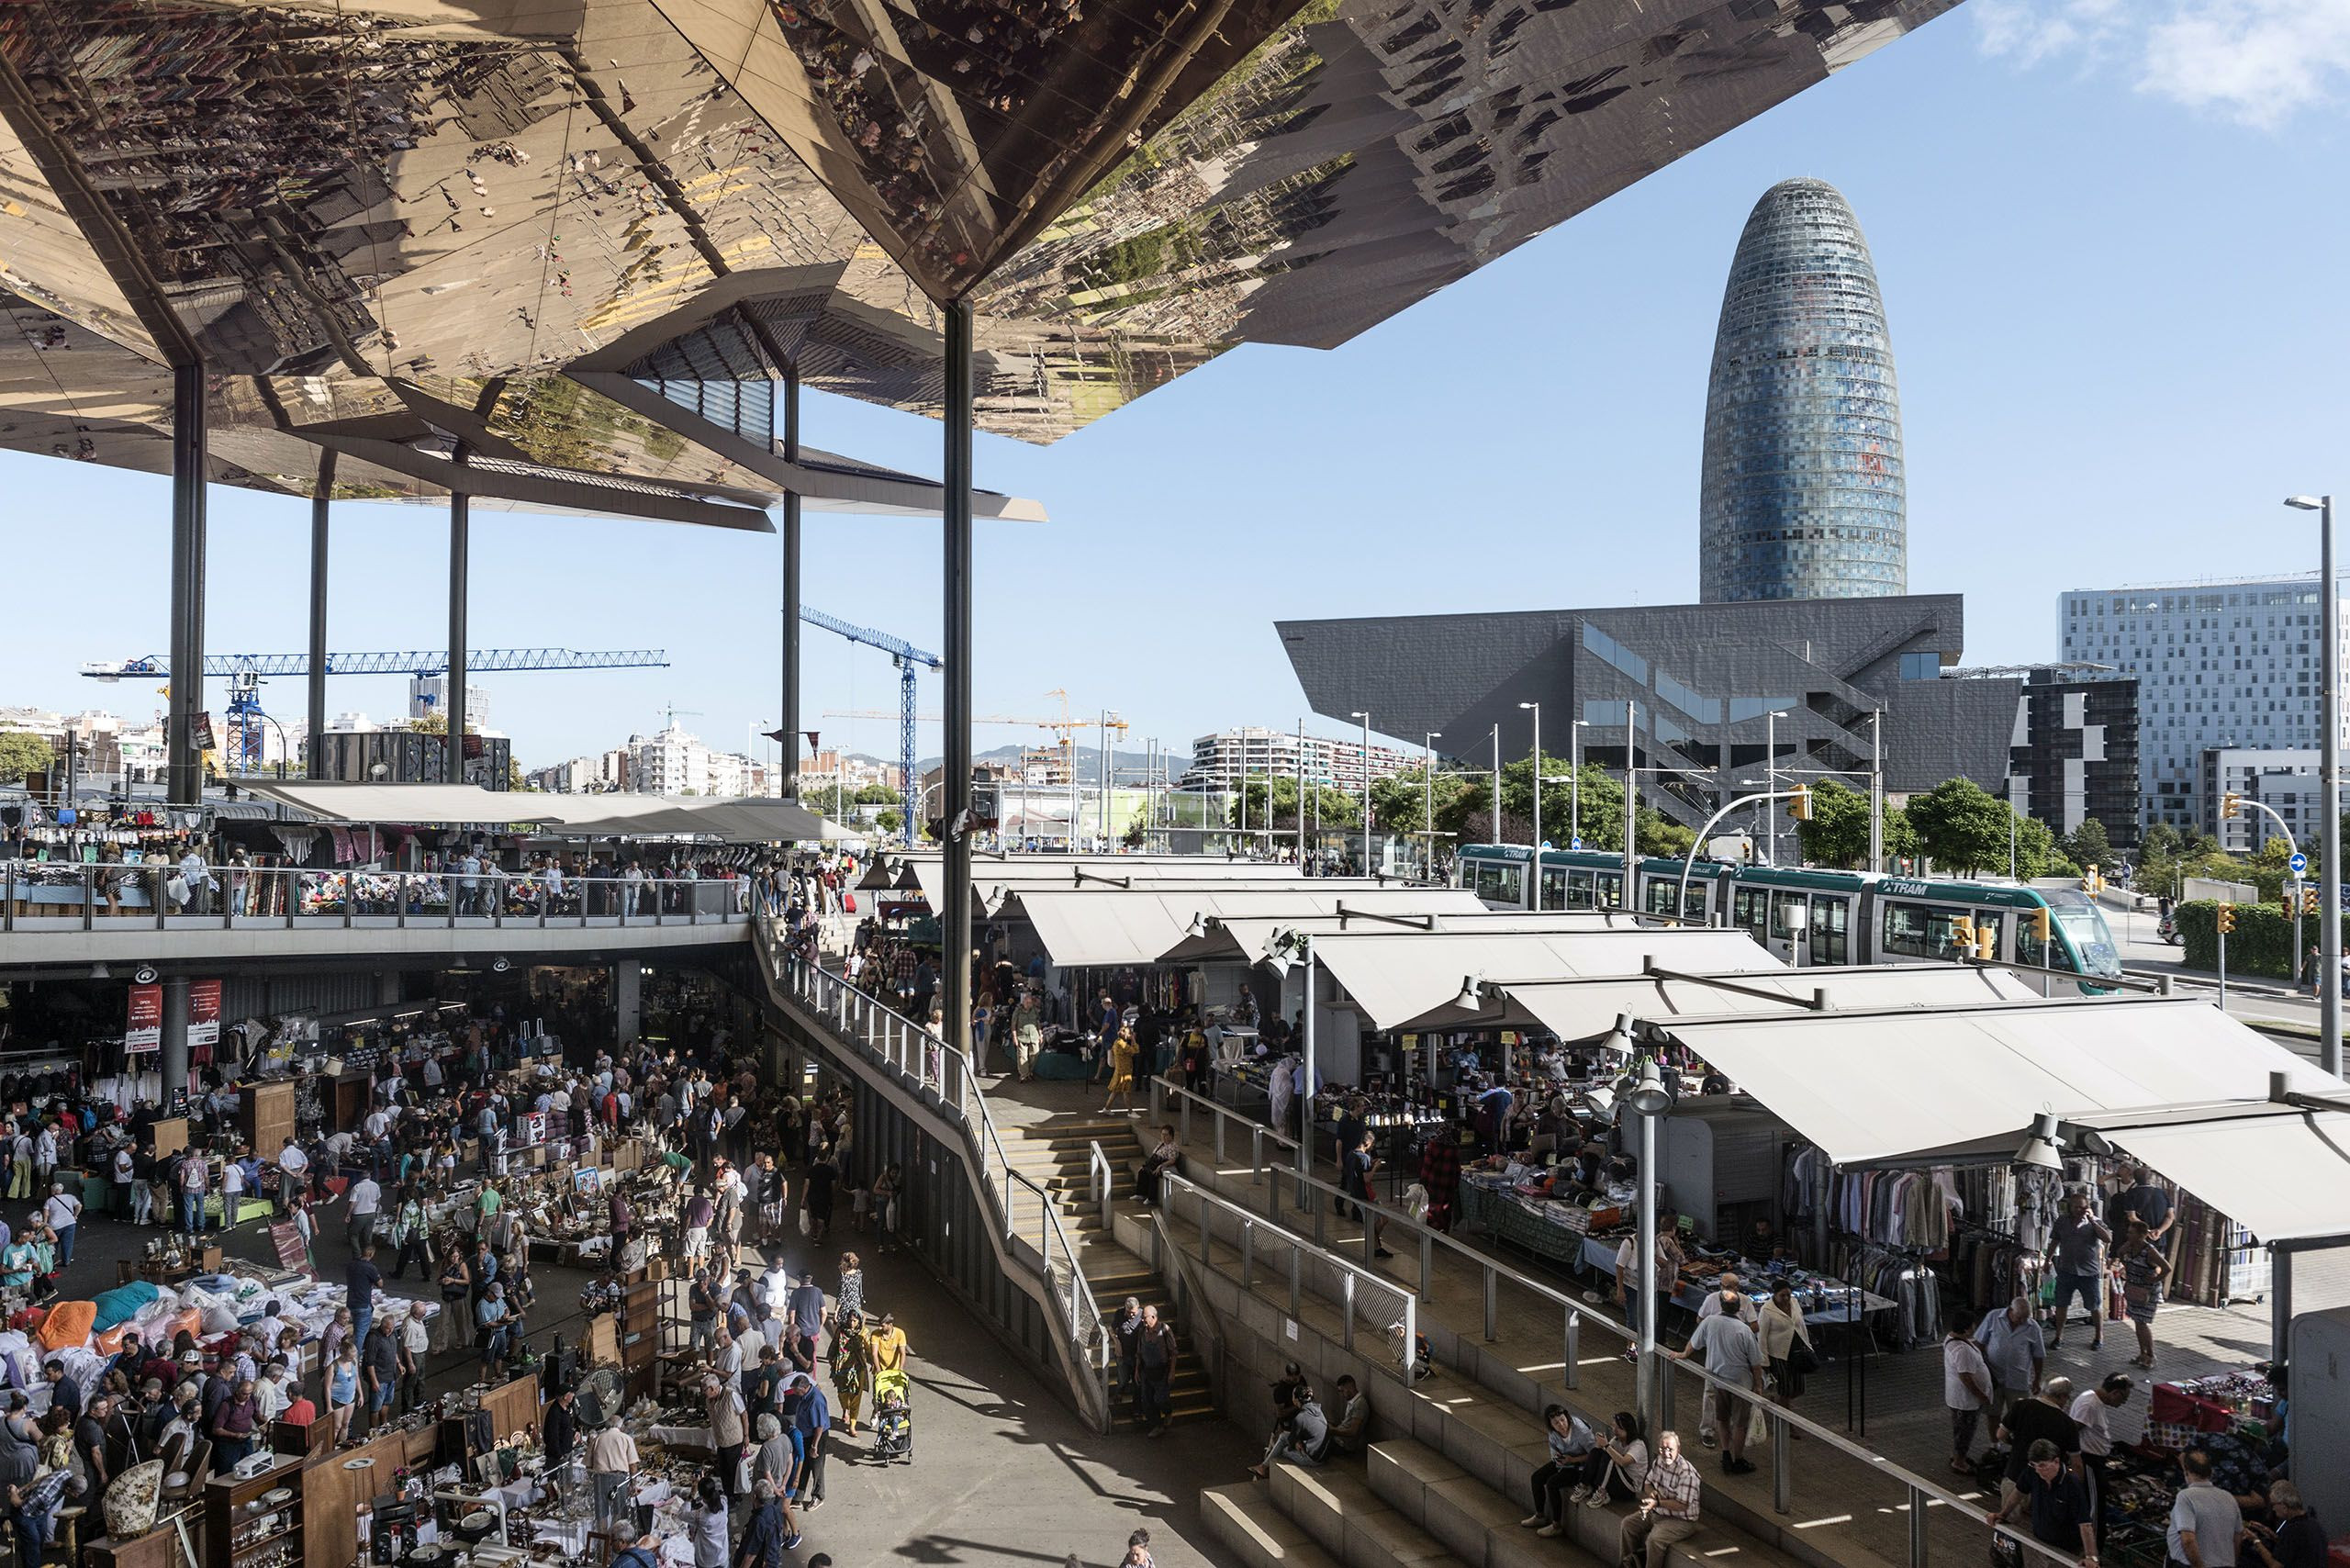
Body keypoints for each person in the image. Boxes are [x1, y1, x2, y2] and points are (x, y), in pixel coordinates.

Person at [1675, 1305, 1763, 1475]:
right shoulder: (1744, 1330)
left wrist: (1684, 1354)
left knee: (1722, 1419)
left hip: (1719, 1381)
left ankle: (1725, 1454)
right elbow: (1756, 1363)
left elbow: (1693, 1343)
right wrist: (1758, 1386)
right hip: (1741, 1386)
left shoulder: (1710, 1321)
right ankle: (1738, 1459)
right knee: (1740, 1424)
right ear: (1739, 1308)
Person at [1997, 1438, 2097, 1566]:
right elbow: (2018, 1492)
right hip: (2038, 1542)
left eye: (2043, 1465)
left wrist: (2091, 1557)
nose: (2038, 1470)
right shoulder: (2032, 1471)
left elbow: (2085, 1525)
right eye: (2034, 1465)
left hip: (2065, 1550)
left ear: (2056, 1461)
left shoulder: (2071, 1485)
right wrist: (2003, 1514)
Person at [1998, 1380, 2081, 1514]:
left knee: (2007, 1524)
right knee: (2042, 1528)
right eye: (2067, 1397)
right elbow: (2077, 1464)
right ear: (2062, 1396)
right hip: (2046, 1486)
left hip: (2015, 1475)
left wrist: (2016, 1443)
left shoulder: (2021, 1406)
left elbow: (2000, 1434)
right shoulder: (2067, 1424)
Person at [1618, 1429, 1700, 1568]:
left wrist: (1657, 1503)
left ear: (1678, 1449)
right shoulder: (1659, 1462)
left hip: (1680, 1520)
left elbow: (1682, 1505)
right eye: (1662, 1449)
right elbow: (1648, 1483)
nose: (1666, 1453)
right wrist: (1653, 1495)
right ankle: (1627, 1564)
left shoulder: (1687, 1474)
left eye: (1670, 1449)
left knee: (1654, 1540)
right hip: (1657, 1511)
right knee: (1627, 1524)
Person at [2048, 1189, 2112, 1351]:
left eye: (2082, 1207)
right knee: (2061, 1304)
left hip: (2089, 1273)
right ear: (2070, 1207)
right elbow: (2055, 1241)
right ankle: (2059, 1336)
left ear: (2088, 1207)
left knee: (2094, 1305)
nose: (2079, 1210)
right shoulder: (2062, 1221)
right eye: (2076, 1207)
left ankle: (2099, 1336)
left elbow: (2107, 1238)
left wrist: (2092, 1221)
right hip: (2066, 1270)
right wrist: (2047, 1260)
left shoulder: (2095, 1222)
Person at [1519, 1405, 1598, 1534]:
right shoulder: (1553, 1433)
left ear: (1567, 1417)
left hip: (1581, 1466)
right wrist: (1558, 1458)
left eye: (1562, 1420)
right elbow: (1554, 1451)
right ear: (1551, 1425)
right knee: (1537, 1477)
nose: (1561, 1425)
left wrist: (1572, 1460)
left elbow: (1595, 1455)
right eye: (1556, 1423)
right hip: (1565, 1461)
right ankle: (1540, 1515)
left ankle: (1556, 1525)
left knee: (1552, 1483)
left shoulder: (1581, 1431)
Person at [1974, 1295, 2046, 1426]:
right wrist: (1980, 1370)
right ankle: (1995, 1443)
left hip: (2019, 1379)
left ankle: (2016, 1441)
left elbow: (2038, 1355)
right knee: (1993, 1413)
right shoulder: (1993, 1317)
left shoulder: (2033, 1327)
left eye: (2026, 1317)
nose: (2023, 1321)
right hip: (1994, 1378)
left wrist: (2037, 1379)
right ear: (2011, 1311)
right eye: (2019, 1317)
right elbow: (1979, 1343)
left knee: (2020, 1415)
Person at [2169, 1448, 2245, 1568]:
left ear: (2186, 1472)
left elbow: (2188, 1540)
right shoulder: (2229, 1497)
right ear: (2210, 1473)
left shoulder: (2186, 1496)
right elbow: (2238, 1537)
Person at [2119, 1217, 2172, 1369]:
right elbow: (2120, 1253)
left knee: (2142, 1323)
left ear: (2141, 1235)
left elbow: (2167, 1268)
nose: (2128, 1235)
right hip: (2134, 1289)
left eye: (2131, 1233)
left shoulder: (2150, 1251)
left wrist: (2154, 1280)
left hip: (2147, 1293)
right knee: (2137, 1322)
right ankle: (2143, 1353)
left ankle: (2151, 1355)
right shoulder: (2130, 1248)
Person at [1247, 1383, 1331, 1478]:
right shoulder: (1318, 1409)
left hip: (1313, 1459)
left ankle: (1264, 1468)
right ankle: (1263, 1466)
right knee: (1283, 1436)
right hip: (1323, 1454)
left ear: (1295, 1400)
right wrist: (1298, 1442)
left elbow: (1291, 1442)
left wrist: (1295, 1443)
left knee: (1282, 1450)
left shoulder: (1300, 1418)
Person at [1944, 1313, 1993, 1474]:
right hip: (1965, 1401)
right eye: (1972, 1325)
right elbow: (1966, 1377)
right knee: (1965, 1431)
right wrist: (1981, 1395)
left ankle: (1959, 1455)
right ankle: (1959, 1462)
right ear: (1966, 1329)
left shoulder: (1955, 1340)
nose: (1975, 1328)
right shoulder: (1961, 1350)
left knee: (1961, 1430)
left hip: (1961, 1399)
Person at [1757, 1281, 1813, 1418]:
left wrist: (1808, 1345)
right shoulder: (1766, 1310)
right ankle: (1785, 1419)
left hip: (1797, 1352)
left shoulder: (1794, 1303)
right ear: (1775, 1295)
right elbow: (1762, 1337)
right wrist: (1765, 1362)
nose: (1786, 1298)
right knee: (1785, 1390)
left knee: (1799, 1388)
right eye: (1783, 1295)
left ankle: (1779, 1404)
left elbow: (1801, 1325)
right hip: (1779, 1355)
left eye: (1788, 1295)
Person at [2244, 1479, 2322, 1568]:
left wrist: (2255, 1541)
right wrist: (2273, 1537)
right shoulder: (2313, 1524)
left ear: (2284, 1507)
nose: (2273, 1509)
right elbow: (2293, 1549)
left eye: (2273, 1505)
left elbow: (2276, 1565)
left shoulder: (2292, 1530)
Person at [1345, 1130, 1391, 1258]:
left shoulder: (1351, 1155)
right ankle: (1374, 1244)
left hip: (1354, 1192)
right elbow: (1366, 1178)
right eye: (1373, 1144)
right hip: (1366, 1194)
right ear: (1368, 1143)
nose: (1373, 1147)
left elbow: (1356, 1171)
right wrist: (1375, 1168)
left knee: (1374, 1221)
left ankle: (1375, 1245)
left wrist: (1370, 1163)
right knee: (1382, 1219)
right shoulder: (1364, 1157)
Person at [588, 1419, 639, 1528]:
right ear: (620, 1426)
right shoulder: (626, 1438)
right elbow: (633, 1465)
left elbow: (588, 1465)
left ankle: (603, 1541)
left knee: (601, 1513)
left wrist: (593, 1480)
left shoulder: (597, 1438)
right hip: (619, 1479)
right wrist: (633, 1483)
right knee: (618, 1511)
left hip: (600, 1478)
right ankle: (614, 1538)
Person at [1135, 1305, 1176, 1437]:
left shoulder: (1165, 1330)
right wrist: (1137, 1370)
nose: (1142, 1321)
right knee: (1146, 1401)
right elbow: (1139, 1353)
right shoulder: (1142, 1332)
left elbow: (1173, 1352)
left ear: (1153, 1317)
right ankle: (1157, 1426)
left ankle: (1168, 1412)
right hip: (1147, 1371)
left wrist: (1172, 1372)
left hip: (1161, 1371)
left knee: (1160, 1399)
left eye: (1144, 1318)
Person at [687, 1473, 730, 1568]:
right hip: (722, 1556)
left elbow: (681, 1514)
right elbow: (718, 1494)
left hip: (707, 1560)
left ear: (701, 1496)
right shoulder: (724, 1504)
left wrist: (691, 1495)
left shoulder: (699, 1516)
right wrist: (705, 1484)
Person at [326, 1339, 360, 1446]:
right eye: (350, 1357)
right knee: (336, 1426)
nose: (352, 1359)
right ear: (343, 1354)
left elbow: (356, 1378)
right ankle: (330, 1448)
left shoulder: (353, 1362)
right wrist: (329, 1406)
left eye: (354, 1356)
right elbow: (327, 1387)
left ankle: (342, 1445)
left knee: (345, 1424)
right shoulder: (333, 1367)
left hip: (350, 1397)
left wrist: (361, 1395)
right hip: (337, 1399)